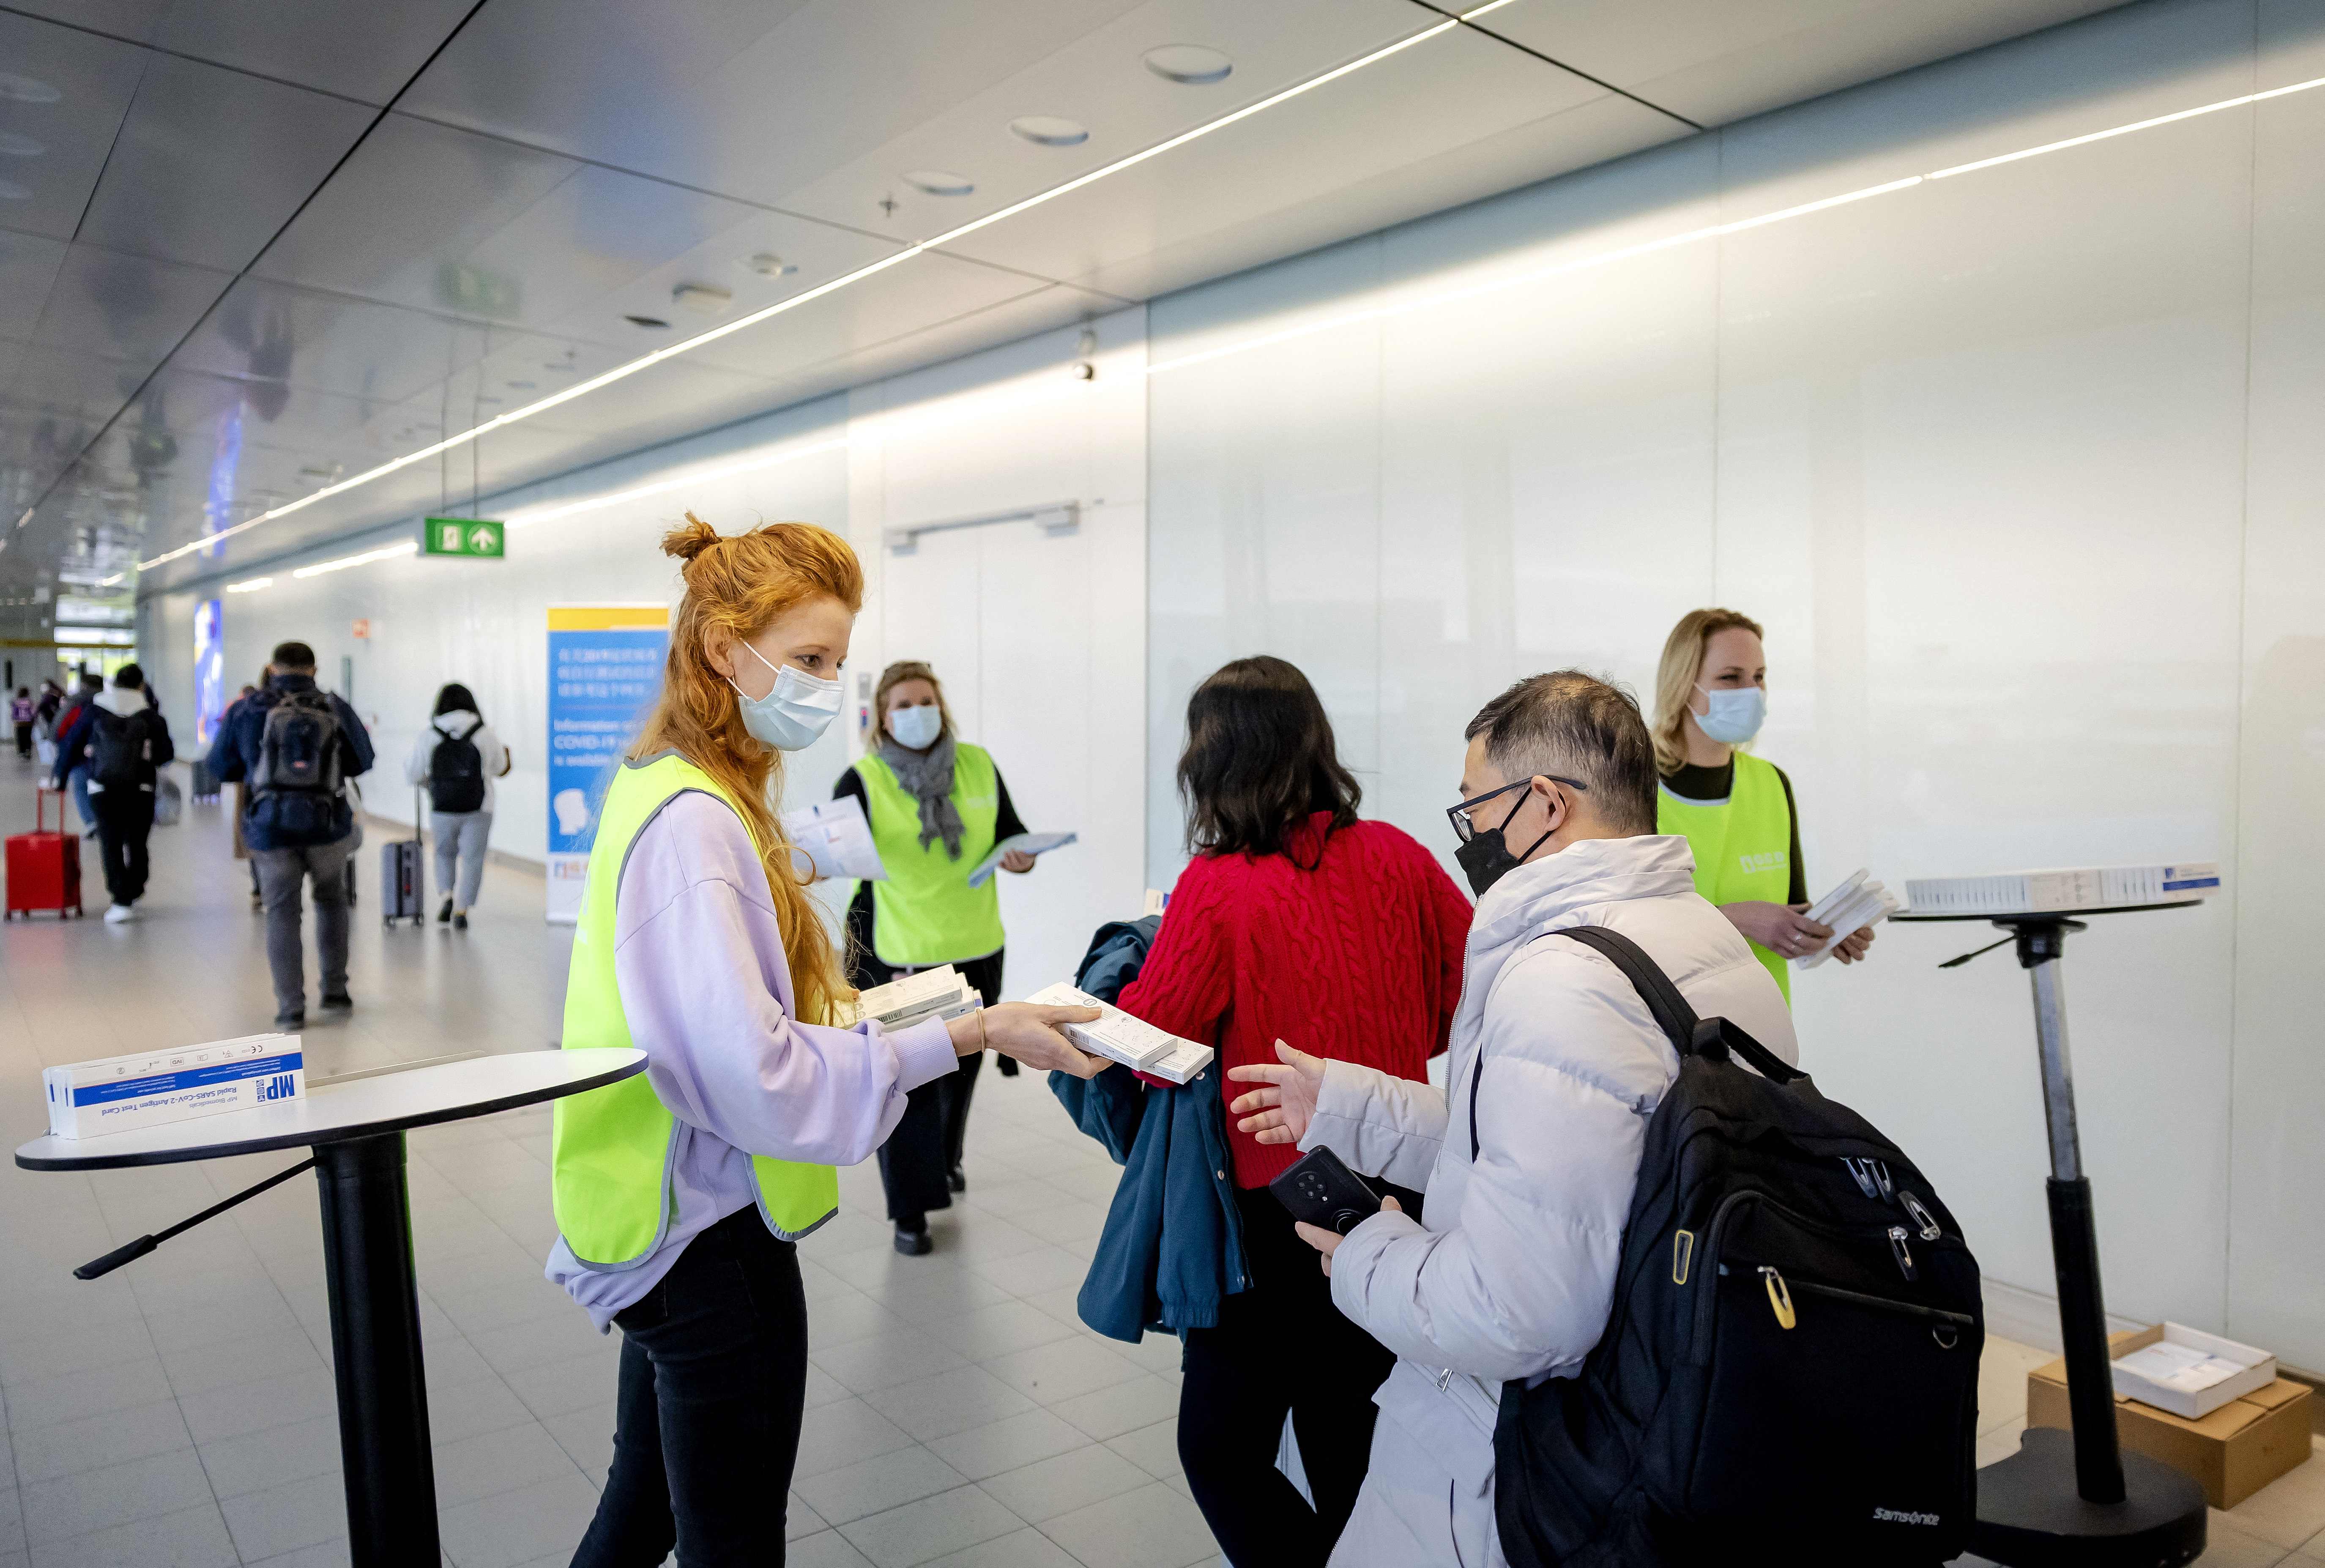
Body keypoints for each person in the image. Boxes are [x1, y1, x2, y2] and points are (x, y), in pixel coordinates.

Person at [551, 515, 1103, 1568]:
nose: (826, 683)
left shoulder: (674, 784)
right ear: (724, 647)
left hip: (666, 1211)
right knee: (731, 1538)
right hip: (701, 1228)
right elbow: (759, 1069)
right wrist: (969, 1028)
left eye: (835, 660)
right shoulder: (697, 825)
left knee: (644, 1512)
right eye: (808, 658)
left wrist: (960, 1020)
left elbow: (763, 1021)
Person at [1229, 670, 1798, 1567]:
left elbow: (1517, 1314)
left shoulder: (1560, 980)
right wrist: (1344, 1106)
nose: (1467, 837)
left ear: (1541, 804)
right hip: (1676, 1396)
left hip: (1529, 1458)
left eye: (1473, 808)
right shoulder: (1703, 941)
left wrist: (1368, 1254)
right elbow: (1566, 1154)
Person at [1106, 655, 1472, 1568]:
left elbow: (1162, 1048)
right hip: (1397, 1190)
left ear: (1217, 760)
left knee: (1219, 1447)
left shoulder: (1217, 885)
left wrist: (1106, 995)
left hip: (1275, 1210)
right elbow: (1460, 1003)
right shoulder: (1400, 855)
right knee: (1350, 1438)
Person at [831, 660, 1040, 1256]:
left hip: (977, 941)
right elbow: (841, 854)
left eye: (926, 700)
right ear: (883, 717)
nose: (916, 712)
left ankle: (947, 1160)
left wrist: (1021, 856)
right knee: (909, 1079)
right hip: (901, 949)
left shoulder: (977, 764)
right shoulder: (862, 780)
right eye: (903, 703)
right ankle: (912, 1210)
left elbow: (1011, 833)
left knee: (963, 1069)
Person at [1651, 608, 1875, 1003]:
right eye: (1730, 677)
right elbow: (1613, 926)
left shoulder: (1772, 783)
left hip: (1761, 1033)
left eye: (1759, 677)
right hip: (1665, 1029)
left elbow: (1786, 910)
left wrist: (1823, 929)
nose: (1750, 692)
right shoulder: (1632, 786)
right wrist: (1740, 919)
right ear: (1683, 685)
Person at [206, 641, 375, 1029]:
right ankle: (335, 991)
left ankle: (291, 1008)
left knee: (282, 912)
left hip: (270, 827)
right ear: (314, 669)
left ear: (272, 667)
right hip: (328, 824)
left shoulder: (248, 708)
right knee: (331, 901)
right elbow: (363, 760)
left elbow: (218, 765)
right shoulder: (333, 706)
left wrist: (258, 770)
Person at [50, 664, 173, 923]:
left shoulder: (94, 710)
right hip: (142, 789)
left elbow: (71, 743)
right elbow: (165, 756)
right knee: (138, 842)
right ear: (142, 686)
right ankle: (136, 885)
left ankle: (121, 900)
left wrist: (59, 778)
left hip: (102, 788)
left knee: (111, 843)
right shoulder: (150, 716)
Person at [404, 682, 511, 929]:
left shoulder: (430, 734)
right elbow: (498, 767)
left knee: (444, 852)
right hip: (479, 806)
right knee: (473, 858)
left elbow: (413, 774)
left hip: (442, 806)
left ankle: (446, 896)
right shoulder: (483, 732)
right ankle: (462, 910)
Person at [10, 686, 31, 760]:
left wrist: (14, 719)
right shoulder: (29, 702)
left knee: (20, 737)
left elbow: (14, 713)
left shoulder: (16, 702)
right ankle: (28, 750)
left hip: (20, 723)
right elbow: (32, 712)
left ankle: (22, 752)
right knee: (28, 737)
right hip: (28, 723)